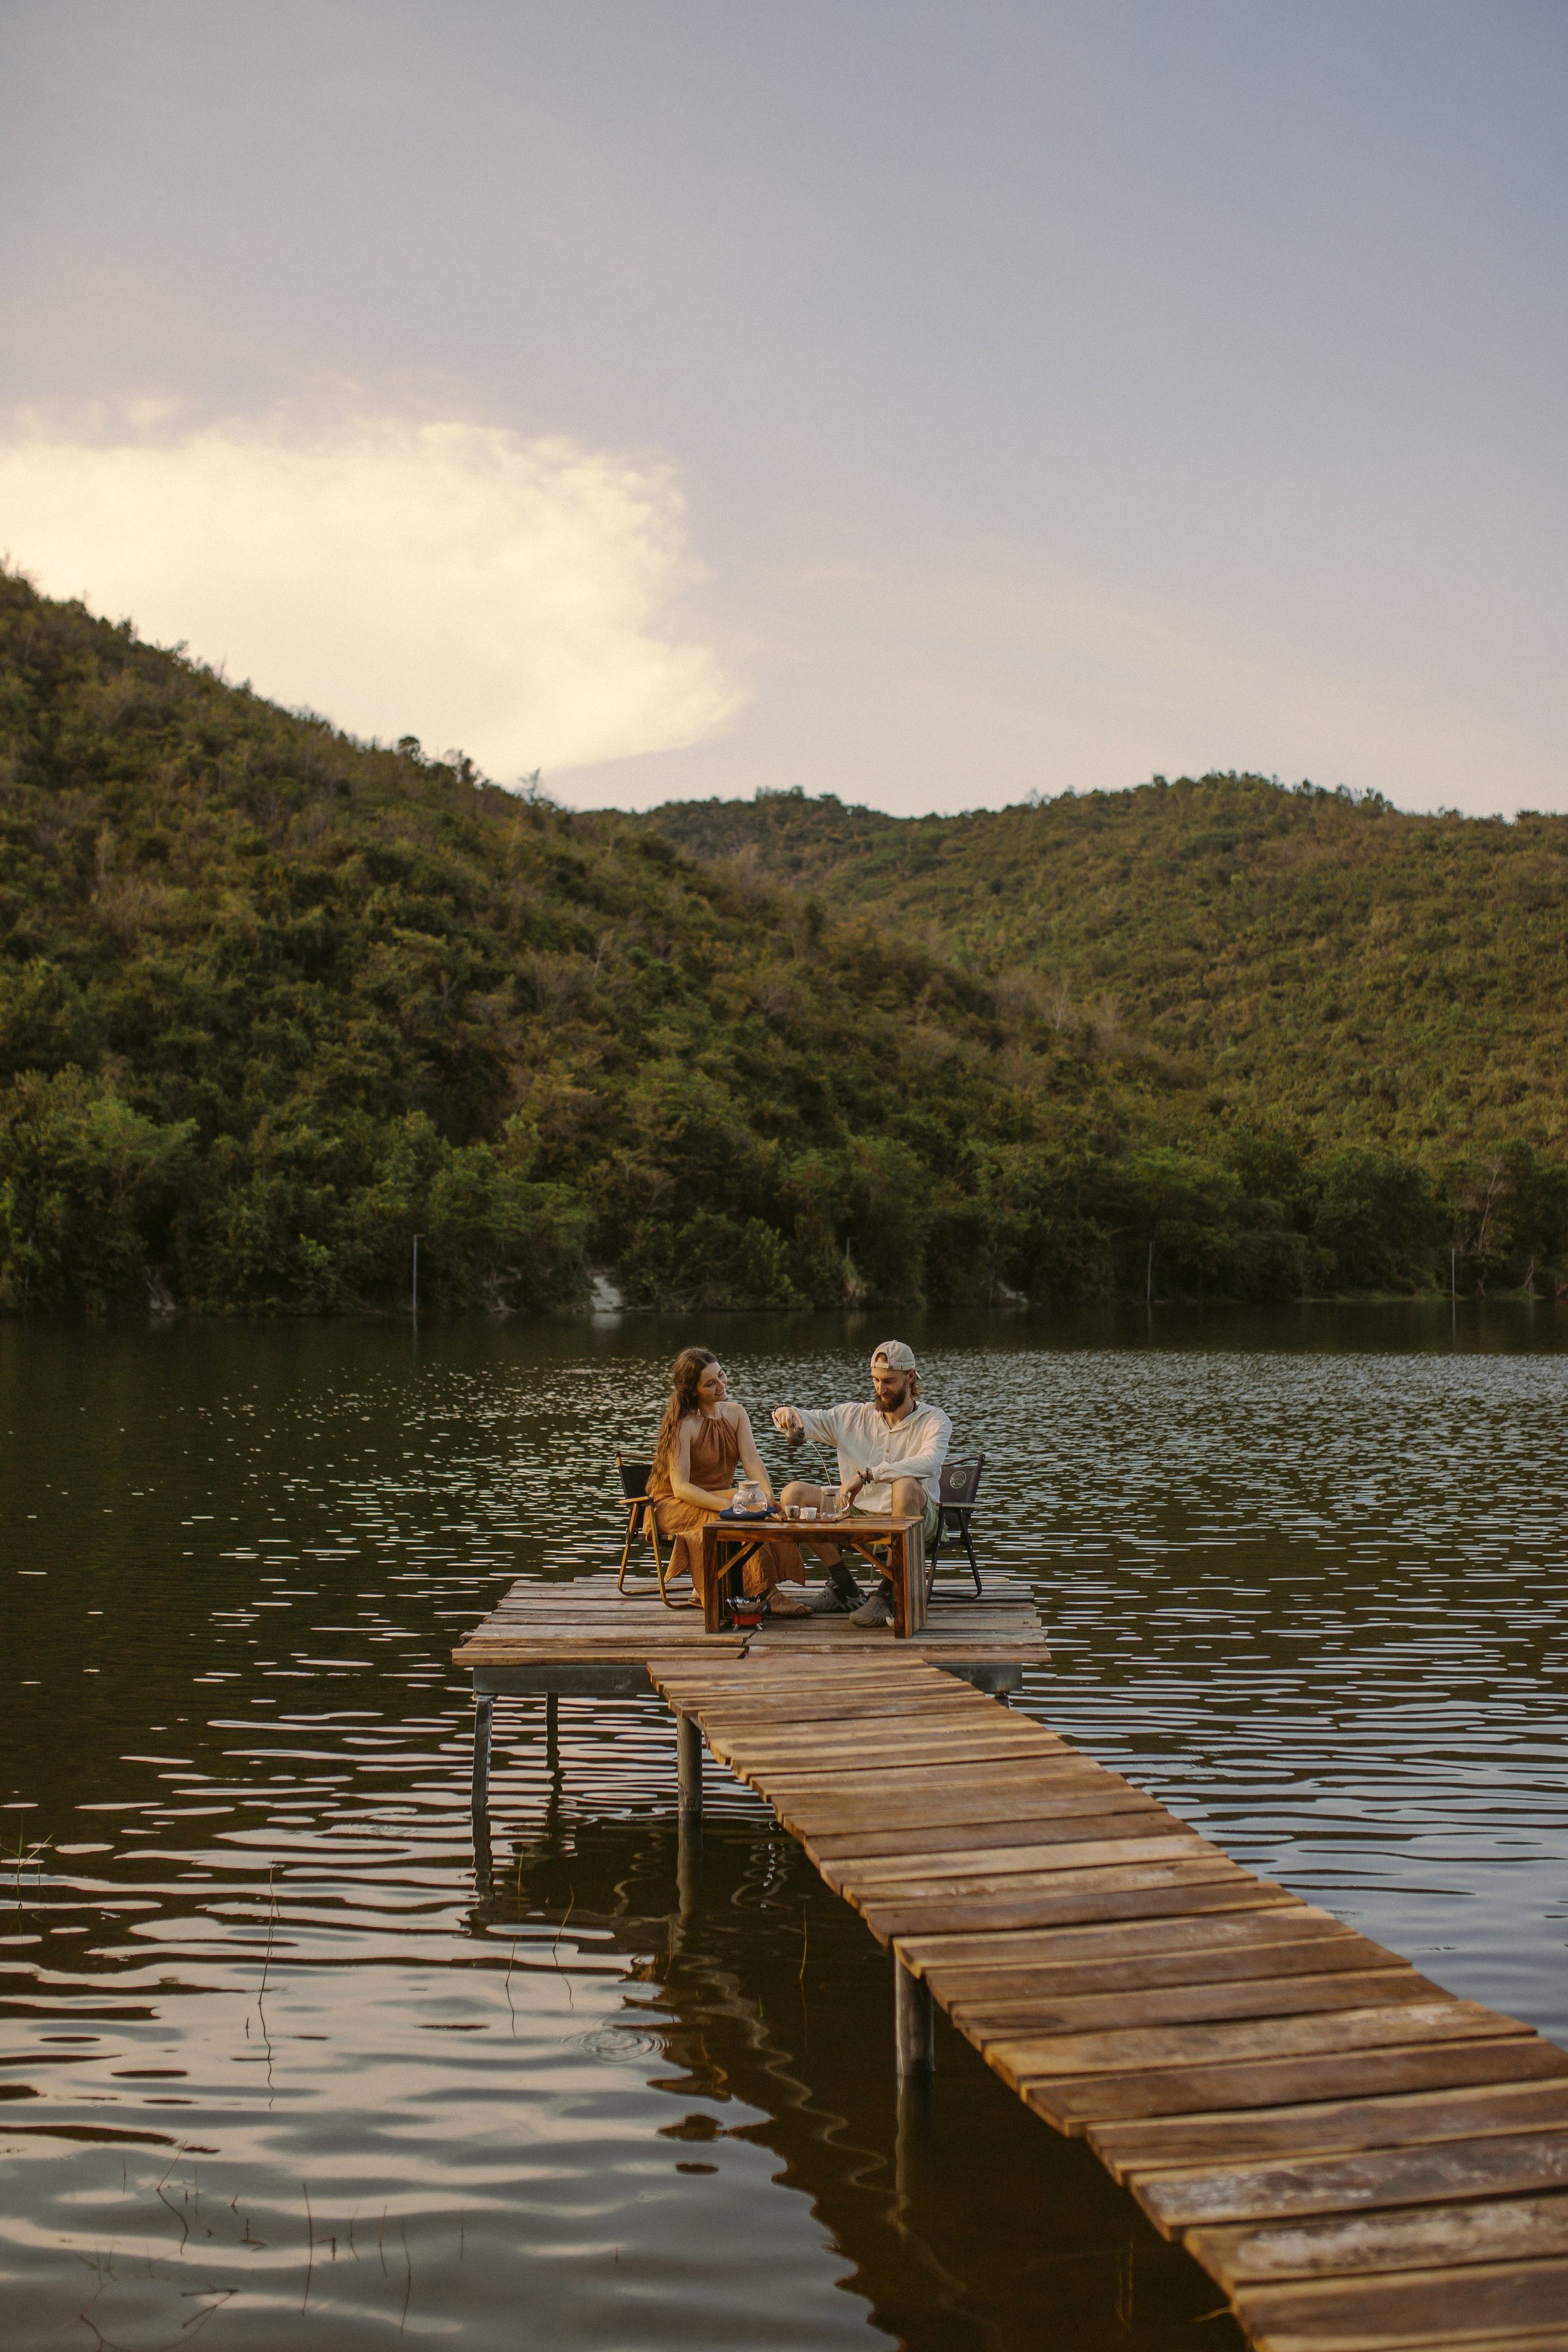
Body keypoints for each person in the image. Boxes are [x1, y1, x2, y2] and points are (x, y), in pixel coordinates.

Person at [772, 1341, 950, 1627]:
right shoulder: (852, 1415)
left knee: (905, 1485)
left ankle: (887, 1594)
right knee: (793, 1494)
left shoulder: (934, 1419)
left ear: (911, 1377)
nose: (881, 1390)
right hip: (854, 1513)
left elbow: (929, 1463)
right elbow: (804, 1418)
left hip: (916, 1518)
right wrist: (786, 1413)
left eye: (889, 1382)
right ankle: (846, 1589)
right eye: (876, 1381)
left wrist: (869, 1474)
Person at [646, 1348, 810, 1615]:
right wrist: (729, 1507)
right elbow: (681, 1488)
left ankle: (716, 1588)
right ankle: (767, 1594)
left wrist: (767, 1495)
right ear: (692, 1390)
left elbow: (753, 1462)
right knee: (741, 1517)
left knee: (770, 1510)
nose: (721, 1385)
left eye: (722, 1376)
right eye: (710, 1383)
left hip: (719, 1496)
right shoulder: (683, 1424)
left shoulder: (735, 1413)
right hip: (675, 1504)